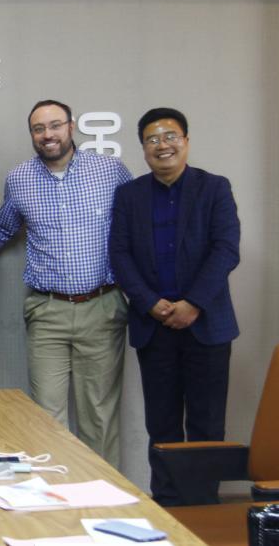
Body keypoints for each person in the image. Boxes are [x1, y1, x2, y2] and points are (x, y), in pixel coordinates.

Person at [0, 100, 132, 467]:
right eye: (38, 129)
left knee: (99, 415)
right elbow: (1, 229)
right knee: (46, 416)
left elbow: (138, 225)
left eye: (54, 125)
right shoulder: (19, 178)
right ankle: (55, 495)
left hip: (102, 307)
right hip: (47, 310)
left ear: (71, 126)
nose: (47, 134)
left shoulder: (110, 171)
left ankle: (101, 494)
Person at [110, 107, 240, 505]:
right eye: (152, 139)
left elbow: (226, 249)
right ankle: (168, 507)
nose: (162, 145)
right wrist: (150, 303)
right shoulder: (130, 195)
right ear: (143, 148)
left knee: (206, 425)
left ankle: (203, 508)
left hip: (207, 325)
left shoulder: (214, 188)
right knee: (162, 426)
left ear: (186, 141)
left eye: (170, 136)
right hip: (155, 326)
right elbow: (119, 255)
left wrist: (193, 303)